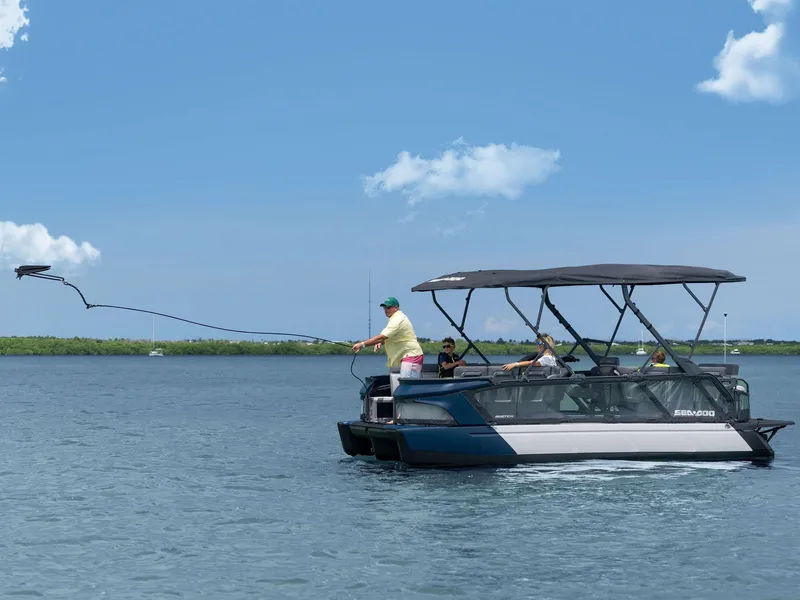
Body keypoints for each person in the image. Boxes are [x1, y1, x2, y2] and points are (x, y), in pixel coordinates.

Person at [351, 296, 424, 378]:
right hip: (406, 356)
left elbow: (382, 337)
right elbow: (389, 337)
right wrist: (381, 342)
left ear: (396, 308)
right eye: (384, 308)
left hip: (411, 355)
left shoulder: (397, 320)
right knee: (403, 382)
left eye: (388, 308)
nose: (386, 310)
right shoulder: (395, 318)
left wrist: (362, 344)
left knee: (407, 383)